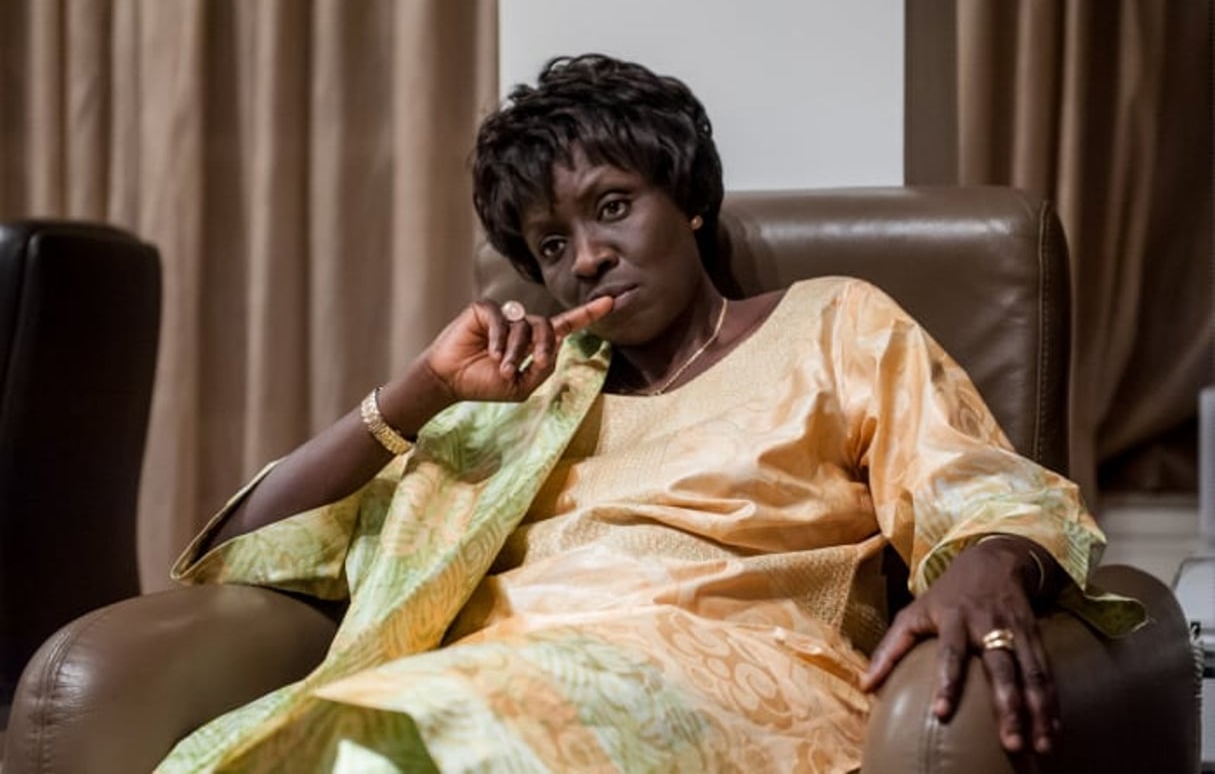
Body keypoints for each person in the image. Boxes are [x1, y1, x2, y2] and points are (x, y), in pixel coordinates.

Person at [158, 54, 1136, 773]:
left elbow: (980, 490)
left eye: (613, 206)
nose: (584, 257)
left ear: (689, 201)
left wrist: (993, 562)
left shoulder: (834, 319)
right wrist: (420, 393)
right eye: (549, 244)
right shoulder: (528, 400)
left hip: (734, 686)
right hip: (491, 680)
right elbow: (246, 544)